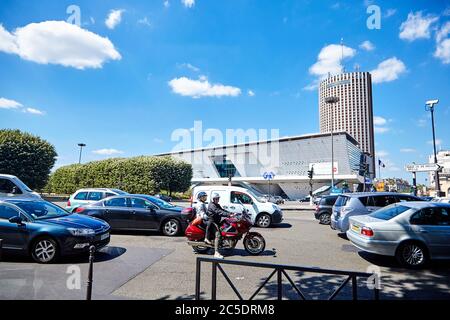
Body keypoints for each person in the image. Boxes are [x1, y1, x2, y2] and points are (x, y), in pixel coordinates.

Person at [206, 193, 231, 259]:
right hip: (212, 222)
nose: (218, 199)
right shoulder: (212, 205)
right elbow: (218, 212)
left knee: (225, 227)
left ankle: (223, 244)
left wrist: (230, 213)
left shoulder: (217, 205)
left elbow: (222, 210)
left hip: (216, 221)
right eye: (216, 198)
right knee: (218, 235)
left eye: (218, 198)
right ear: (213, 199)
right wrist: (228, 215)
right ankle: (216, 252)